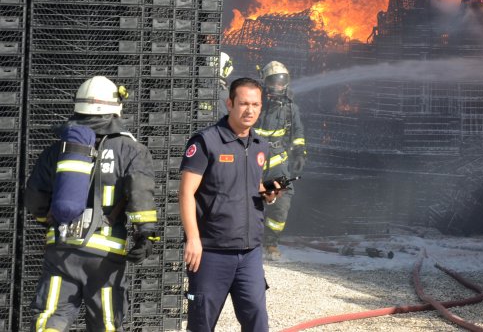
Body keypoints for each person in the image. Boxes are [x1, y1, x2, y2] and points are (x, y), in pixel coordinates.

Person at [23, 75, 159, 331]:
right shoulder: (131, 150)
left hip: (61, 249)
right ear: (116, 107)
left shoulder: (58, 149)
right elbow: (141, 194)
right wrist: (146, 236)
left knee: (50, 315)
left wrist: (47, 221)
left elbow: (34, 197)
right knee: (107, 320)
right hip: (105, 255)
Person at [179, 77, 282, 332]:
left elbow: (247, 186)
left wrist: (267, 193)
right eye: (244, 103)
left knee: (258, 320)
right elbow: (185, 193)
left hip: (249, 254)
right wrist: (193, 239)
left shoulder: (260, 145)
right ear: (229, 103)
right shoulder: (205, 142)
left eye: (256, 104)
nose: (250, 110)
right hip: (212, 252)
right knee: (202, 324)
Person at [255, 61, 307, 260]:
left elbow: (298, 133)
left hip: (277, 163)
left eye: (281, 81)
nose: (277, 85)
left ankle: (271, 244)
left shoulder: (290, 108)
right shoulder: (256, 102)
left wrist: (300, 153)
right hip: (252, 162)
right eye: (273, 81)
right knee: (247, 202)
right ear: (265, 81)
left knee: (281, 203)